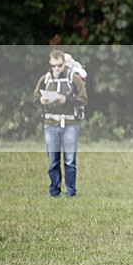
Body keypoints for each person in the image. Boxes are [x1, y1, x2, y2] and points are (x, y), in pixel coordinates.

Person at [32, 49, 88, 198]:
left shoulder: (73, 79)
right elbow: (35, 97)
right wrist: (41, 101)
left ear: (64, 64)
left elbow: (83, 99)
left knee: (70, 160)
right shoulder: (45, 79)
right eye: (54, 65)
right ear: (50, 64)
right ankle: (54, 191)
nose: (57, 69)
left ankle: (71, 192)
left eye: (60, 65)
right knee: (53, 160)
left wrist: (66, 100)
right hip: (50, 124)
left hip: (70, 123)